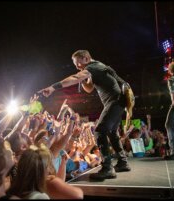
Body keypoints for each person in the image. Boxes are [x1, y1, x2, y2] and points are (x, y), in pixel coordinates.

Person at [38, 50, 131, 180]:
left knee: (99, 131)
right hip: (119, 101)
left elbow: (75, 78)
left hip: (114, 101)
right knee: (112, 132)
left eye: (78, 63)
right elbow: (89, 88)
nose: (77, 67)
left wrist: (53, 87)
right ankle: (122, 162)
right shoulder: (98, 66)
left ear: (86, 58)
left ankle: (108, 168)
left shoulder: (92, 67)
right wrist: (82, 79)